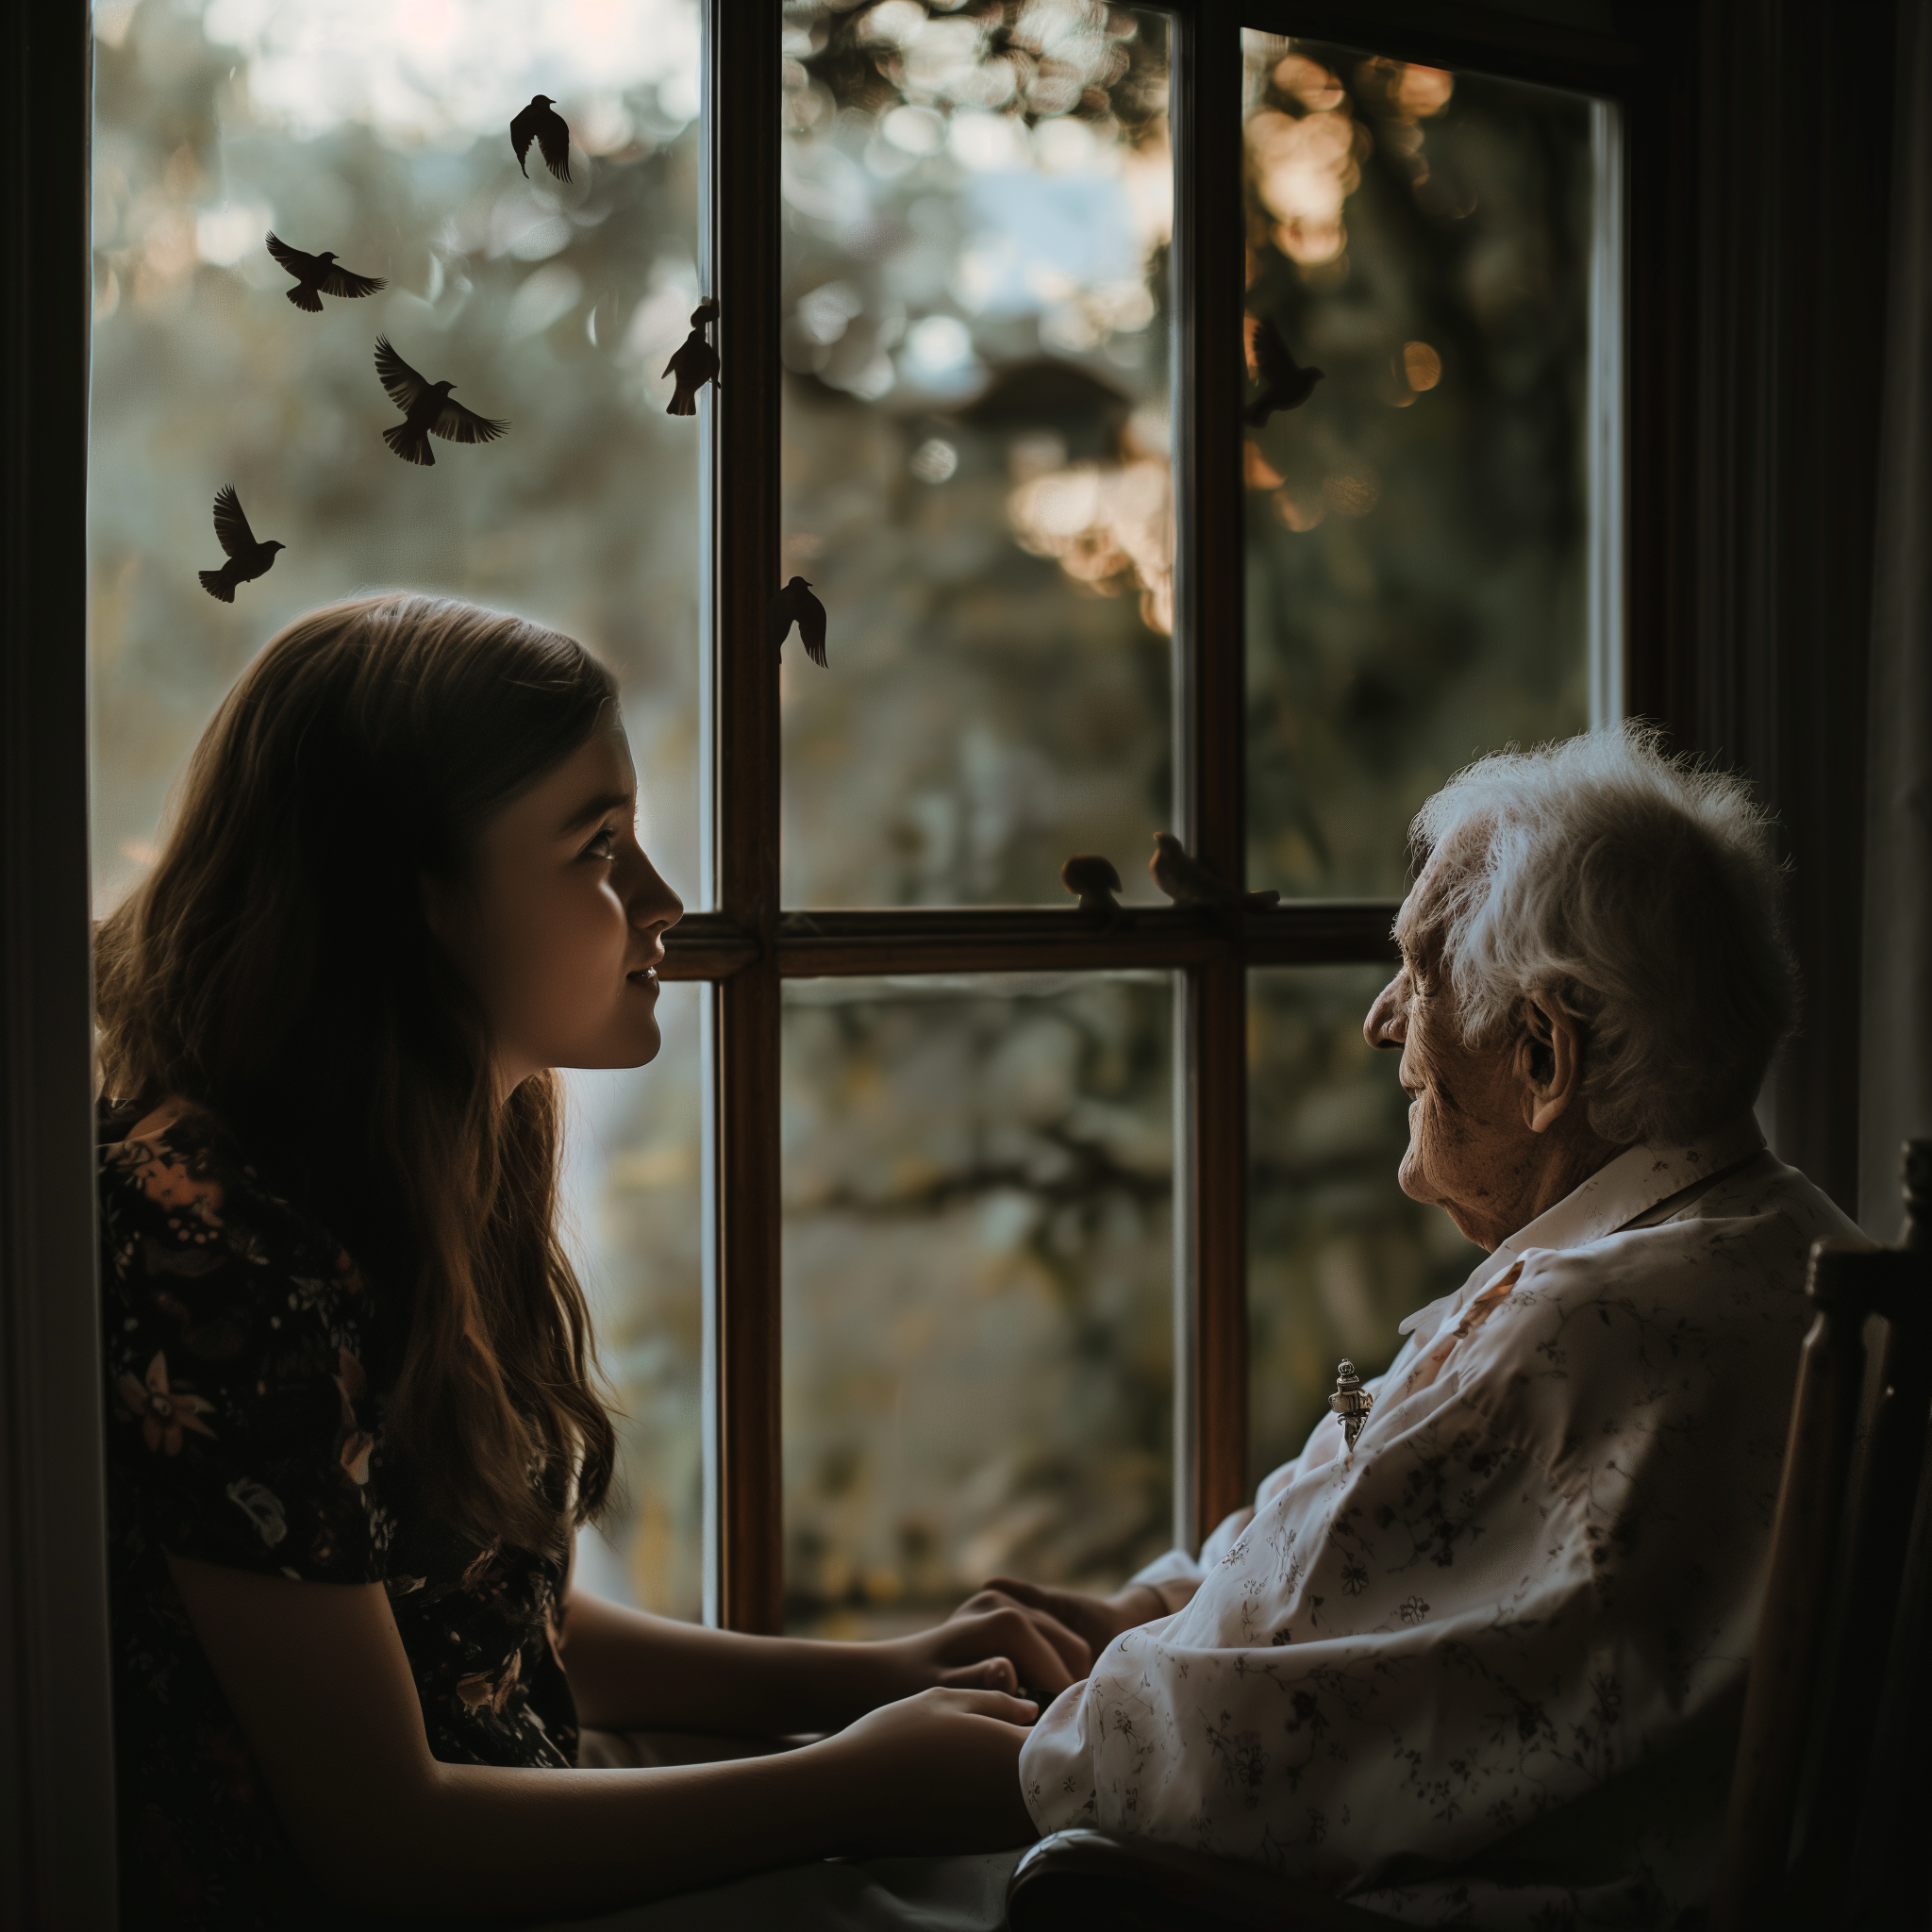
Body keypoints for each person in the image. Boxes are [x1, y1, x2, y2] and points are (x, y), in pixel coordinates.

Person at [95, 592, 1073, 1931]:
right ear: (419, 902)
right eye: (598, 846)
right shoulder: (205, 1243)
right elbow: (388, 1841)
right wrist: (850, 1785)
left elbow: (488, 1613)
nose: (662, 901)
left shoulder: (444, 1149)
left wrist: (867, 1679)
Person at [961, 726, 1866, 1928]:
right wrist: (1145, 1612)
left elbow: (1175, 1766)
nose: (1384, 1019)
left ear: (1542, 1053)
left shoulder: (1578, 1335)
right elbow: (1371, 1590)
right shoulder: (1783, 1237)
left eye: (1418, 970)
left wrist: (861, 1770)